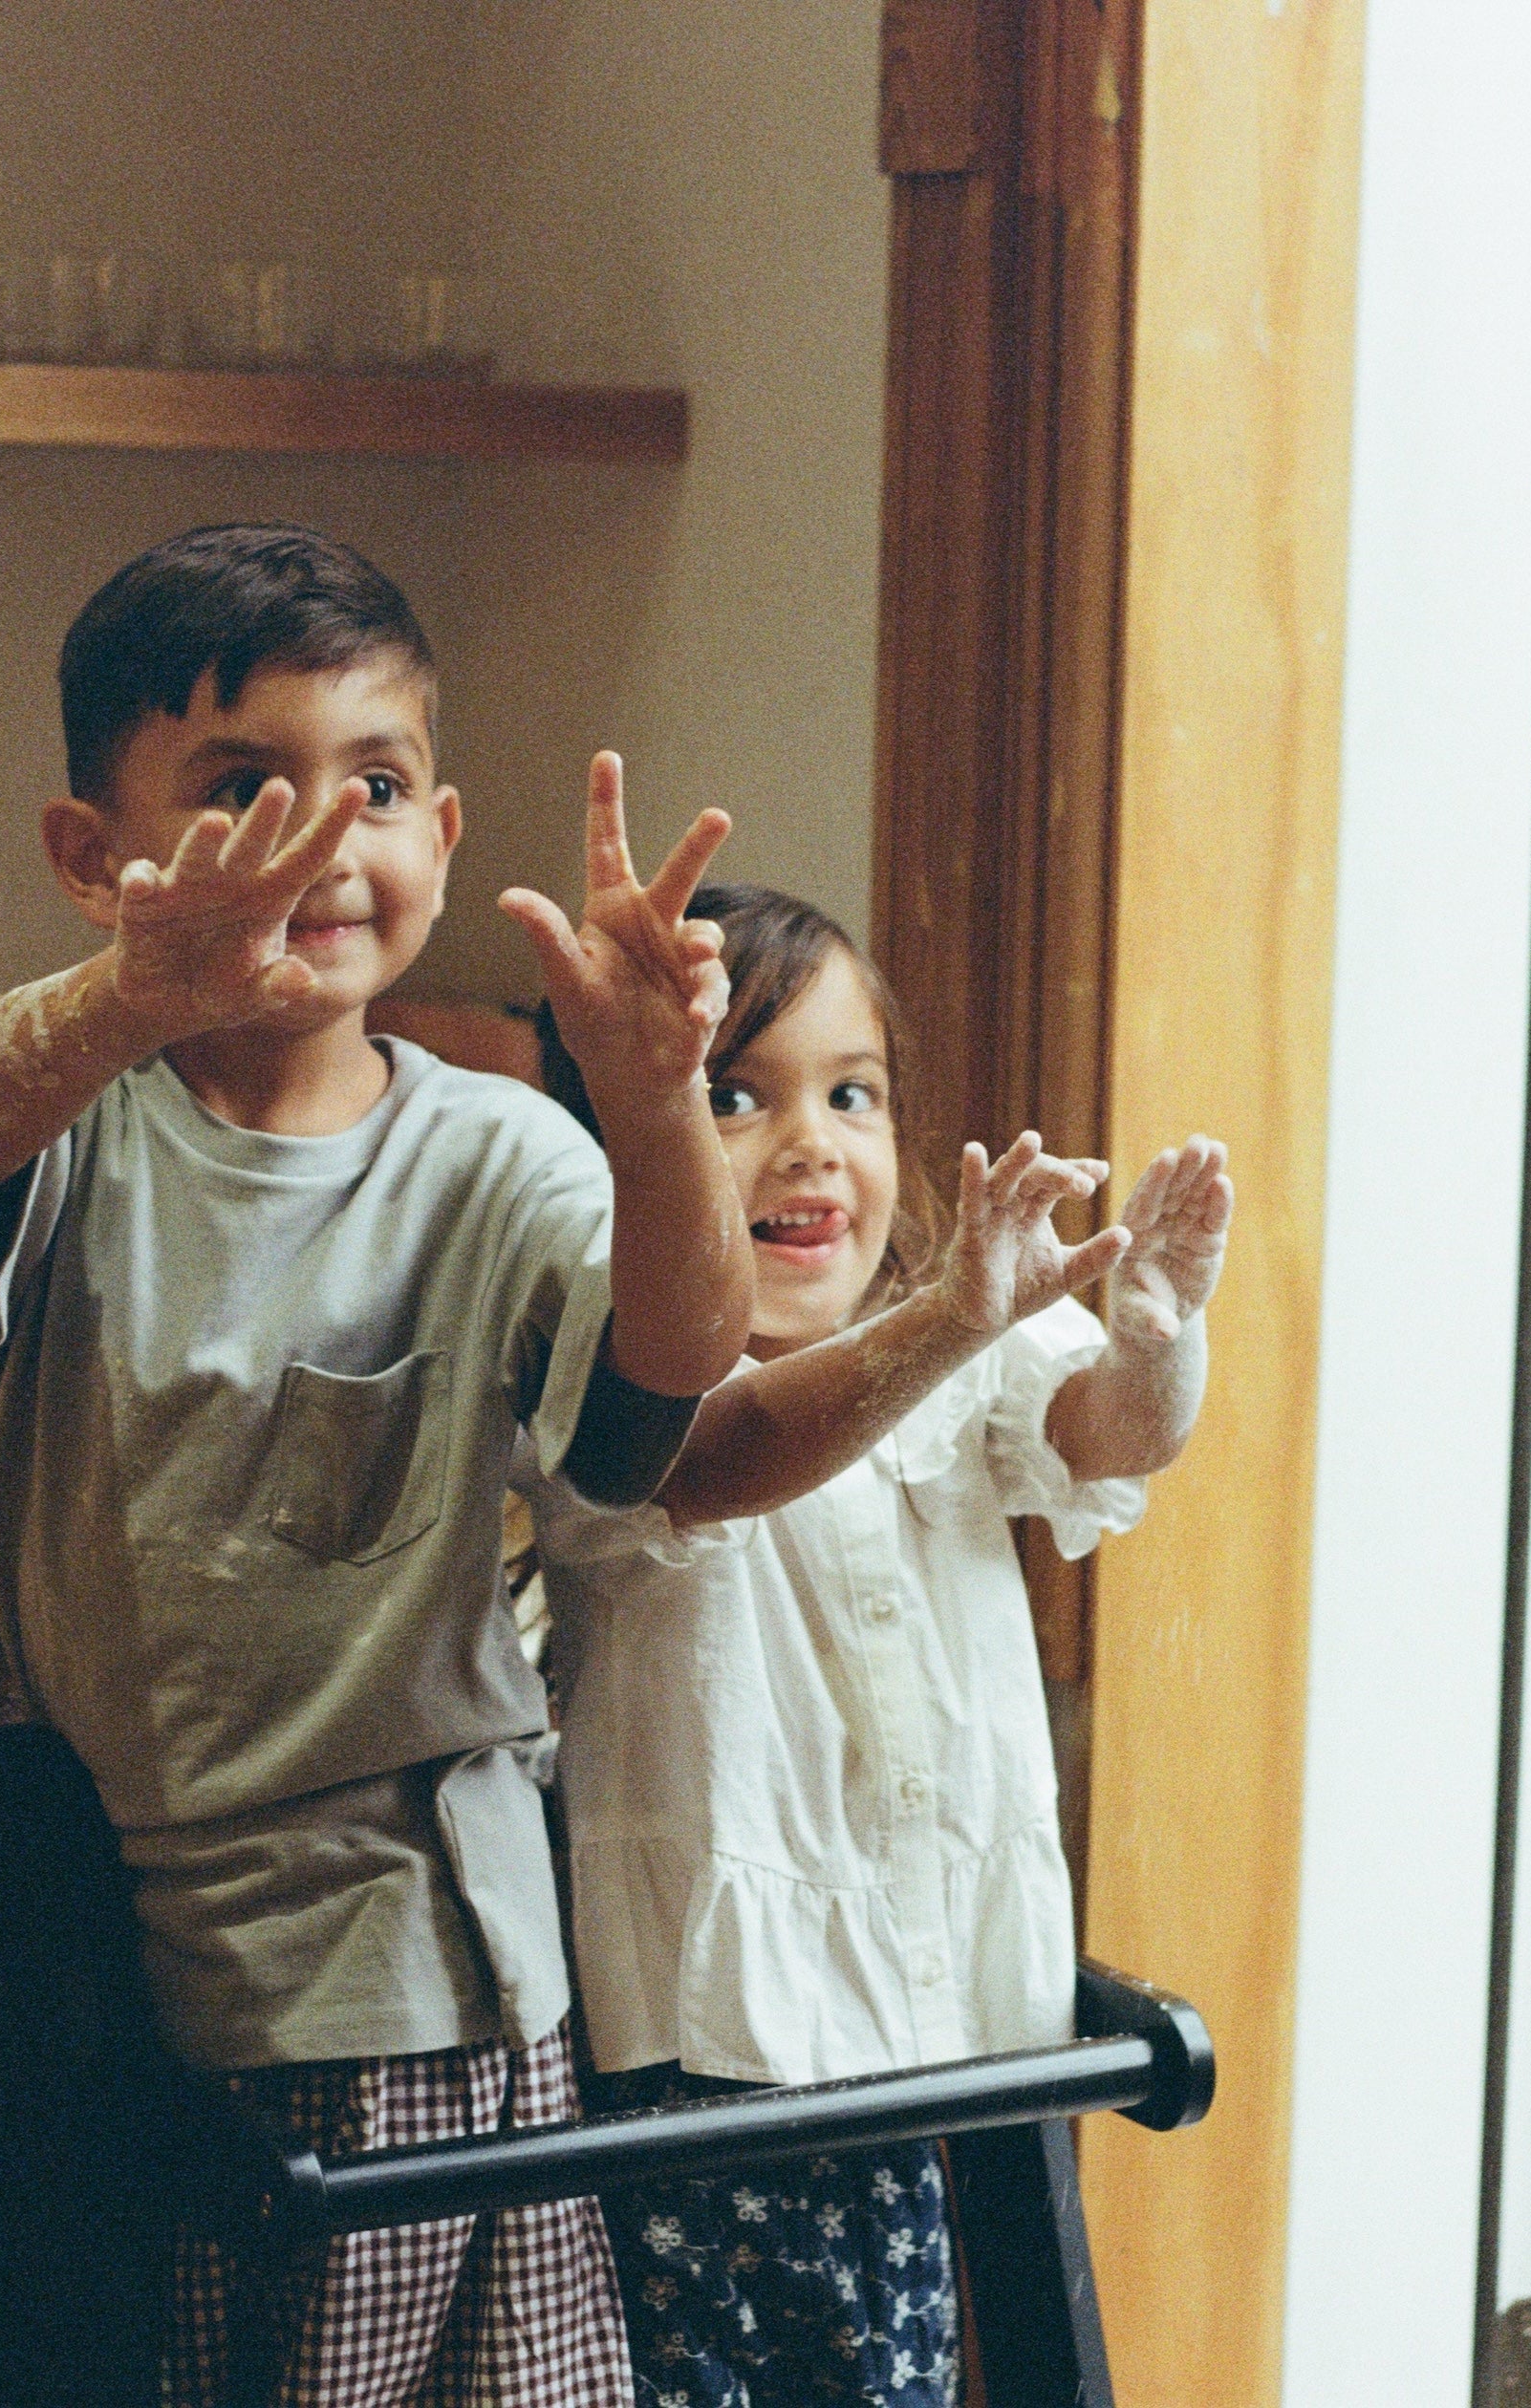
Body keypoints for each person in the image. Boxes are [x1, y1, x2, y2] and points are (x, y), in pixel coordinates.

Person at [0, 522, 755, 2405]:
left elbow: (660, 1387)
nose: (317, 841)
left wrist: (658, 1103)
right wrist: (133, 988)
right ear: (91, 857)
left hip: (397, 1979)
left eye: (372, 785)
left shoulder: (497, 1156)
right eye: (239, 790)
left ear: (441, 837)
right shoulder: (79, 1123)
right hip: (98, 1950)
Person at [527, 884, 1233, 2408]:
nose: (810, 1140)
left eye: (852, 1093)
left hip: (927, 2012)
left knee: (893, 2374)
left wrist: (1155, 1336)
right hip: (720, 2040)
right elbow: (651, 1494)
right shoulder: (623, 1398)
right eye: (734, 1096)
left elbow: (1103, 1433)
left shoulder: (964, 1342)